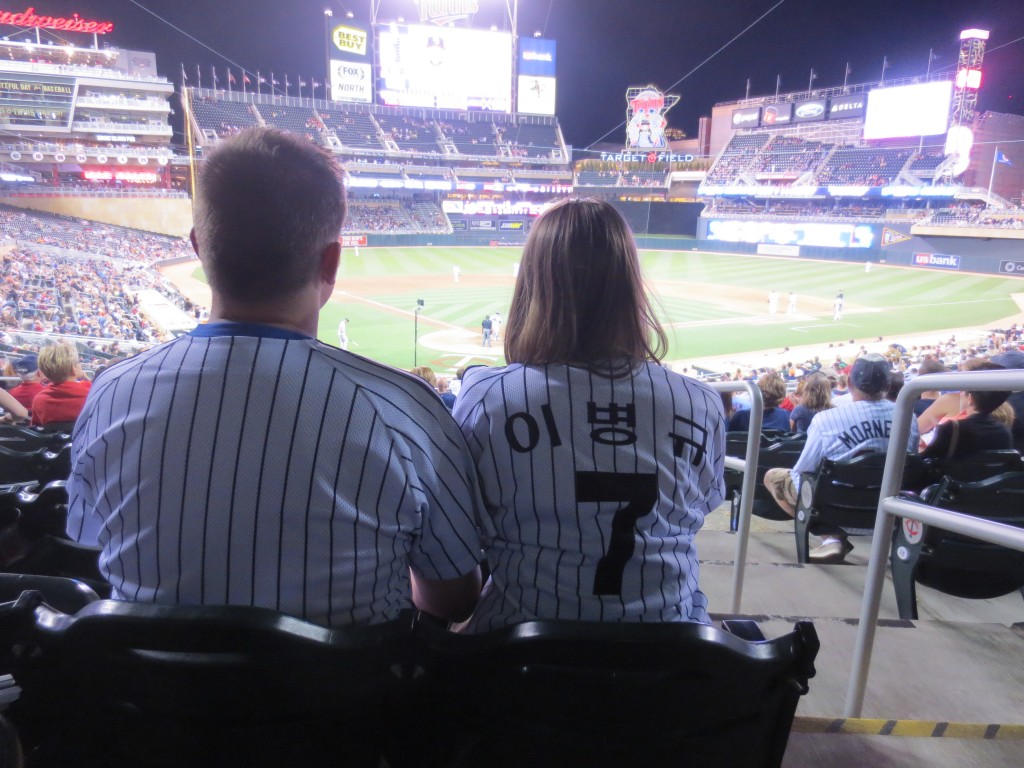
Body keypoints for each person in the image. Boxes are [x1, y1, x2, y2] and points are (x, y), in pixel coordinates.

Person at [66, 127, 483, 627]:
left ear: (200, 249)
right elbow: (453, 600)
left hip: (142, 700)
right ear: (331, 260)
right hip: (351, 701)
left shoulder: (111, 392)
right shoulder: (403, 408)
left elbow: (87, 538)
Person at [453, 198, 725, 632]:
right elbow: (698, 507)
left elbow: (465, 533)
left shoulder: (486, 396)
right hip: (671, 656)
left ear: (533, 286)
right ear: (628, 285)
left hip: (519, 656)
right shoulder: (701, 402)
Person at [763, 354, 919, 563]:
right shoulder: (909, 417)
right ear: (888, 384)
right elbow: (910, 463)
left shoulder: (825, 419)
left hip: (837, 510)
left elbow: (801, 472)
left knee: (774, 477)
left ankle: (831, 537)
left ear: (851, 383)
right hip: (888, 510)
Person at [920, 362, 1012, 461]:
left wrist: (930, 439)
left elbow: (926, 461)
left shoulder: (953, 429)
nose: (960, 393)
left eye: (963, 390)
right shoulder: (1003, 432)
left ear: (970, 398)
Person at [30, 343, 90, 428]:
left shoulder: (39, 400)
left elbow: (36, 427)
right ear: (74, 368)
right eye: (79, 362)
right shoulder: (91, 392)